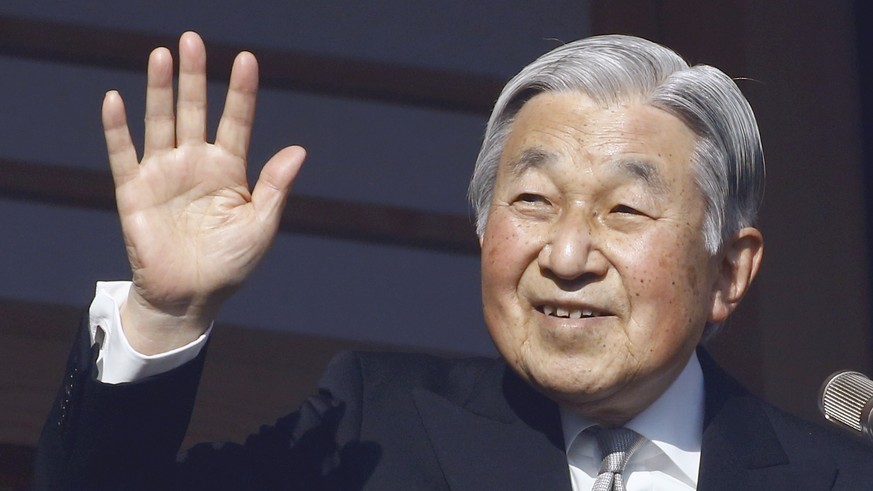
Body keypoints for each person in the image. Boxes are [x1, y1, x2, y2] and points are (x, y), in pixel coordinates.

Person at [33, 31, 873, 490]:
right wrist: (167, 314)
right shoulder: (378, 426)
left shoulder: (839, 472)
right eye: (533, 201)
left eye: (623, 209)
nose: (567, 252)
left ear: (728, 271)